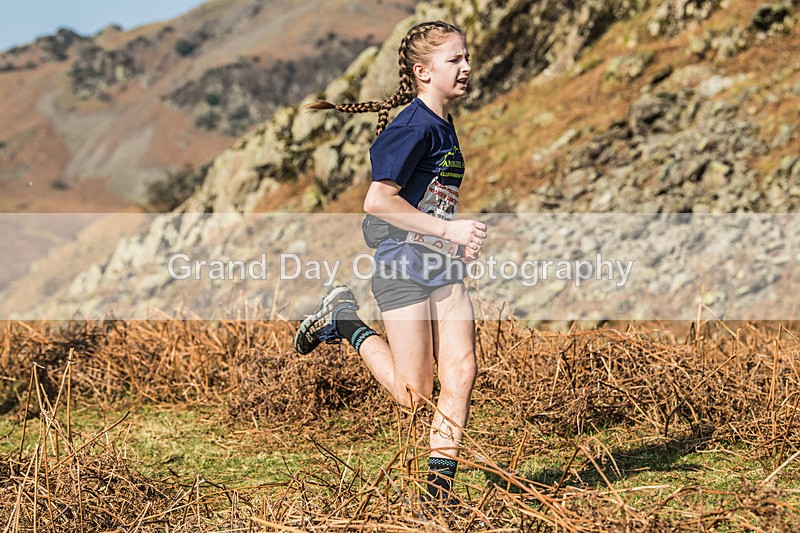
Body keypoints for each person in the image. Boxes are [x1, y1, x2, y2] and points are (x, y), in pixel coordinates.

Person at [293, 20, 487, 503]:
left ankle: (435, 500)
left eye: (466, 57)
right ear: (423, 71)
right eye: (454, 60)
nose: (466, 67)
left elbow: (429, 199)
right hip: (401, 266)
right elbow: (378, 201)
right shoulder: (412, 126)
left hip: (441, 266)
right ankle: (343, 323)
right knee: (414, 395)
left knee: (461, 371)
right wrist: (448, 229)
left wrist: (453, 238)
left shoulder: (441, 123)